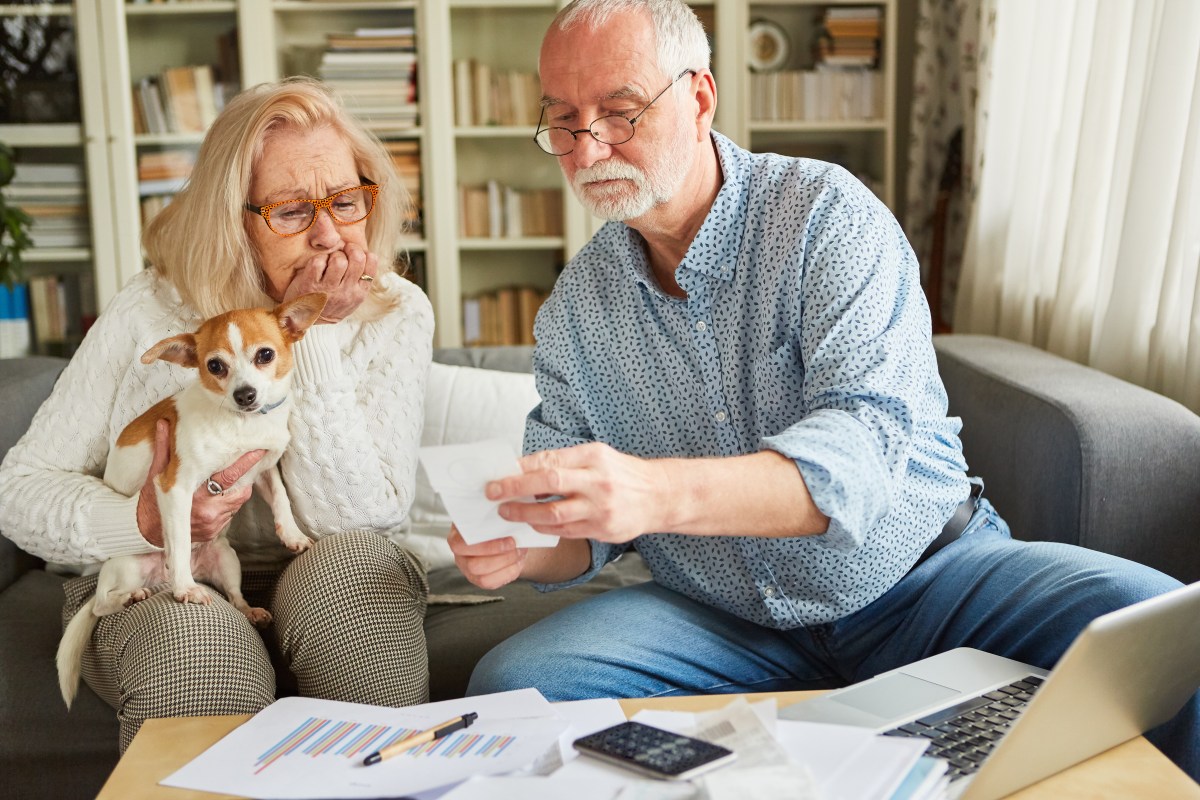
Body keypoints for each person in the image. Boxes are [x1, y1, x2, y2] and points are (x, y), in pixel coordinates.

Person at [450, 0, 1198, 778]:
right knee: (515, 685)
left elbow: (858, 459)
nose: (588, 145)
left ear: (699, 96)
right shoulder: (576, 308)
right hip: (724, 619)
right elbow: (585, 532)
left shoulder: (824, 217)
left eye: (619, 111)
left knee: (1162, 625)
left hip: (925, 580)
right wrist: (526, 548)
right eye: (564, 120)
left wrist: (653, 492)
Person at [0, 78, 433, 752]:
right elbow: (20, 489)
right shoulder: (150, 310)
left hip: (323, 563)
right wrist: (138, 521)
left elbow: (364, 519)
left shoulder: (397, 311)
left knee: (356, 601)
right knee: (200, 665)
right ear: (232, 217)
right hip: (162, 569)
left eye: (346, 202)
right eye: (292, 212)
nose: (328, 234)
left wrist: (305, 334)